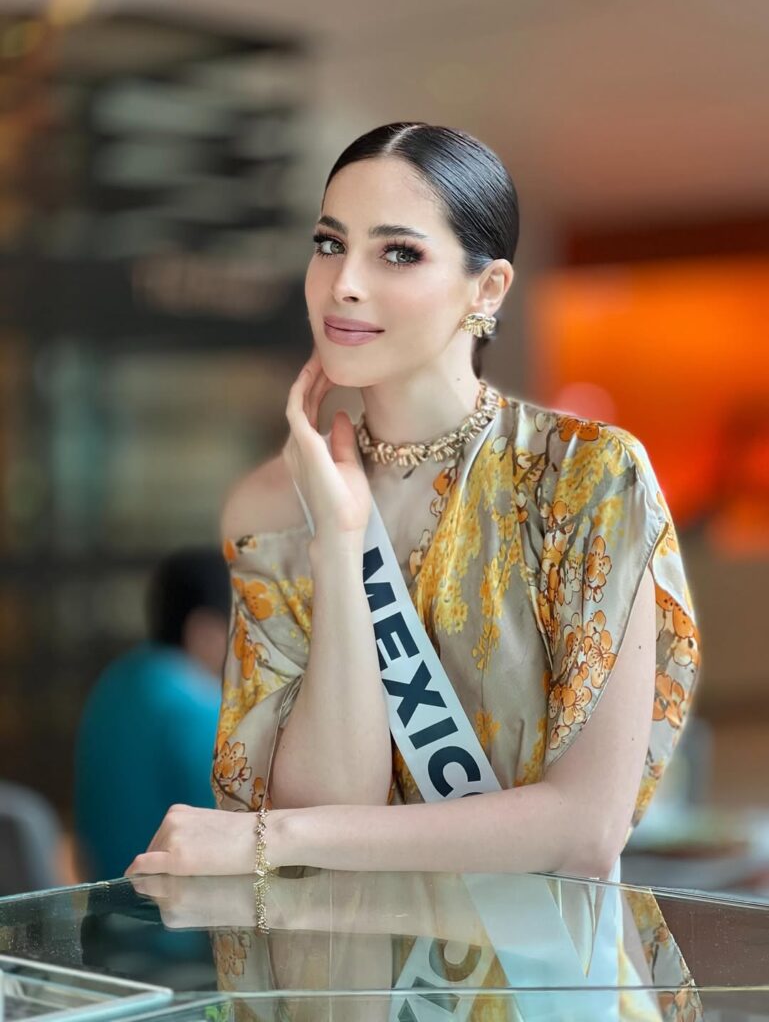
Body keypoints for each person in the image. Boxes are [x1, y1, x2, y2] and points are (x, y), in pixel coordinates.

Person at [125, 121, 700, 881]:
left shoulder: (585, 479)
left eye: (397, 252)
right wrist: (338, 538)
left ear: (486, 288)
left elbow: (582, 829)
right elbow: (329, 796)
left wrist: (276, 840)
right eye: (330, 243)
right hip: (354, 984)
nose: (344, 283)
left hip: (542, 984)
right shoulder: (270, 509)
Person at [76, 547, 230, 880]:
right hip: (170, 921)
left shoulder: (116, 680)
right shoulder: (193, 703)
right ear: (204, 630)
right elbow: (235, 824)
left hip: (107, 914)